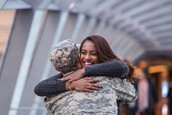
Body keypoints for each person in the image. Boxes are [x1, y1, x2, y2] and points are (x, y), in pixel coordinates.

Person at [34, 35, 137, 114]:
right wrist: (73, 83)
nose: (86, 57)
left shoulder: (52, 95)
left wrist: (80, 74)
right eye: (83, 52)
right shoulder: (106, 80)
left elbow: (39, 88)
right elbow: (133, 94)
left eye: (93, 53)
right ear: (77, 58)